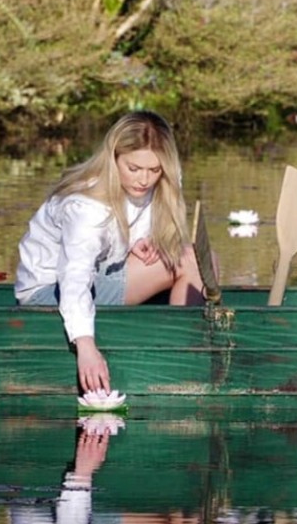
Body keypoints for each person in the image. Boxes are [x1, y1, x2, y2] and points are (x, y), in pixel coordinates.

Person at [15, 111, 205, 392]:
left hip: (101, 273)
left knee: (202, 258)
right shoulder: (85, 206)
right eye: (134, 168)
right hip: (47, 291)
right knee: (191, 260)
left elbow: (118, 231)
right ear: (113, 158)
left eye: (154, 170)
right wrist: (86, 347)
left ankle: (182, 346)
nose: (144, 179)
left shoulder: (154, 182)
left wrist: (136, 242)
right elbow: (74, 277)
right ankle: (181, 357)